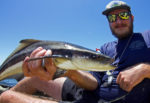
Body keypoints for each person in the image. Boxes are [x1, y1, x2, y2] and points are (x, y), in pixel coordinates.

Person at [0, 0, 150, 103]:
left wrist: (144, 69)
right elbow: (94, 84)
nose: (118, 21)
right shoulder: (106, 48)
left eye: (123, 15)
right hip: (89, 93)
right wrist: (68, 71)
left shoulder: (147, 36)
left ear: (132, 17)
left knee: (6, 97)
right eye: (112, 18)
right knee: (33, 78)